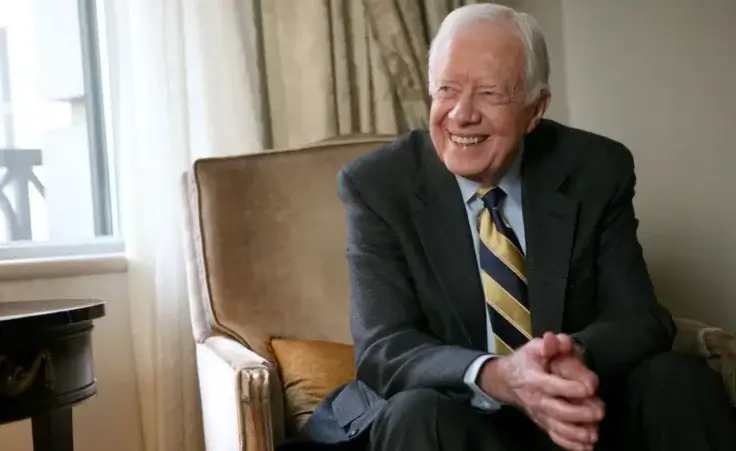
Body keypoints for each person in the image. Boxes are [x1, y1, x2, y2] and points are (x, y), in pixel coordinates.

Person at [285, 3, 736, 451]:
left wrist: (570, 356)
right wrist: (498, 376)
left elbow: (639, 318)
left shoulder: (595, 169)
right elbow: (385, 347)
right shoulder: (378, 185)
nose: (461, 114)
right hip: (456, 416)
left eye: (490, 94)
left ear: (535, 110)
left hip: (578, 415)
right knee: (415, 411)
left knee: (679, 380)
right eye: (446, 89)